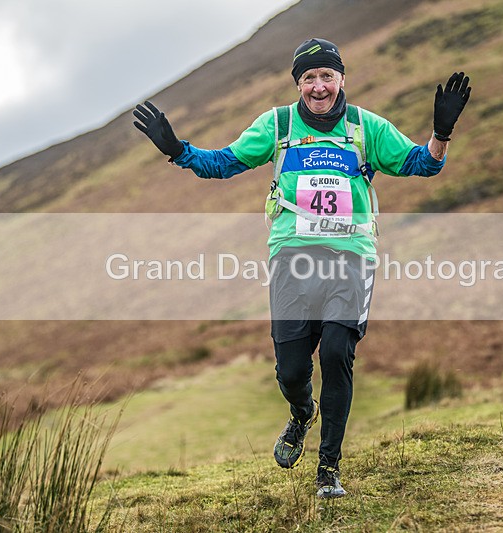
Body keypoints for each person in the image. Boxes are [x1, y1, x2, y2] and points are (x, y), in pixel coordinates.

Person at [132, 38, 470, 499]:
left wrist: (442, 133)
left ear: (341, 79)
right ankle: (300, 413)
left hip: (351, 256)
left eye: (326, 76)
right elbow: (223, 163)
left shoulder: (365, 128)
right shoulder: (277, 125)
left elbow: (421, 165)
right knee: (292, 370)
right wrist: (177, 149)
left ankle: (327, 470)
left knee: (336, 353)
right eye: (308, 78)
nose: (318, 86)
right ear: (298, 84)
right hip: (292, 257)